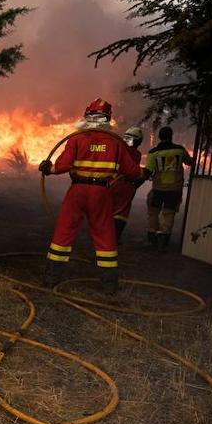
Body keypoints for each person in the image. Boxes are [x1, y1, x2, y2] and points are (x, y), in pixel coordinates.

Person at [38, 99, 142, 295]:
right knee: (105, 235)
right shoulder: (116, 143)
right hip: (102, 193)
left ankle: (50, 278)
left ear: (86, 117)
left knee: (64, 231)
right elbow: (131, 171)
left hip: (78, 190)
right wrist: (141, 174)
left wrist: (47, 168)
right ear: (108, 119)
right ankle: (109, 285)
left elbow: (62, 166)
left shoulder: (76, 139)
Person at [144, 125, 194, 252]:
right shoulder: (180, 150)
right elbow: (189, 162)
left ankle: (152, 233)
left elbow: (148, 171)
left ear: (159, 137)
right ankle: (163, 236)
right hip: (174, 190)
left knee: (153, 210)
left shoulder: (153, 153)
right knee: (168, 213)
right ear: (171, 136)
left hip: (158, 189)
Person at [109, 126, 146, 240]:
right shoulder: (137, 154)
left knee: (108, 209)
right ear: (139, 141)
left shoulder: (117, 149)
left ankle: (104, 235)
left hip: (112, 183)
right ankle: (115, 237)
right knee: (122, 213)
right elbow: (134, 172)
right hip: (126, 186)